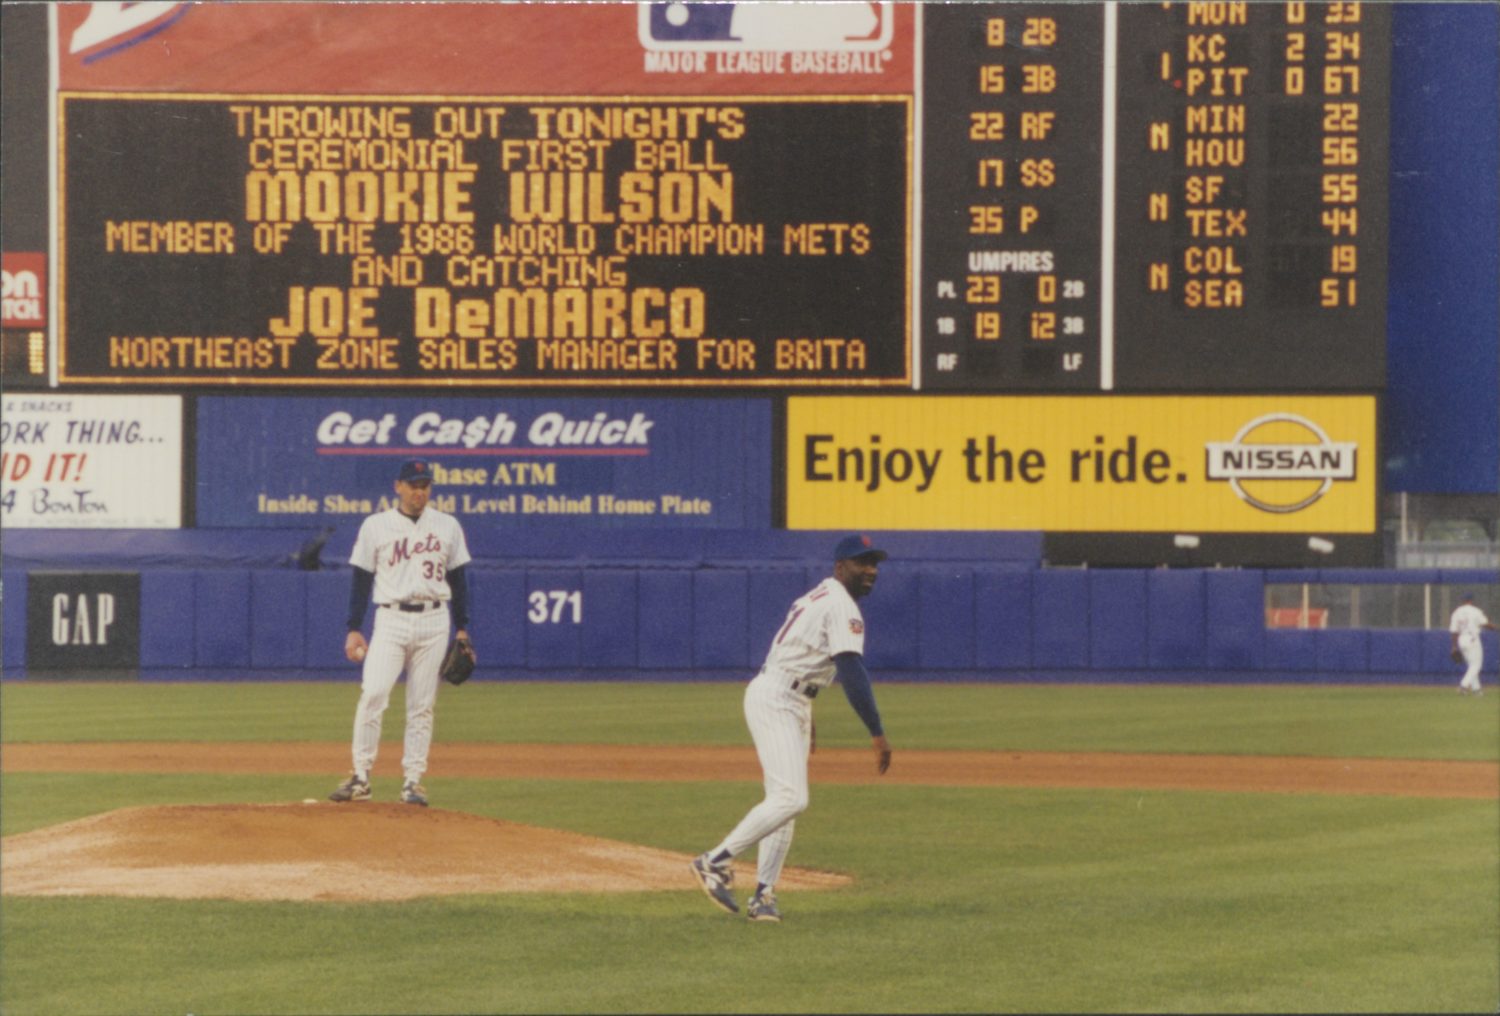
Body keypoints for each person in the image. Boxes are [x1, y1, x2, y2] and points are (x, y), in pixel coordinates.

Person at [690, 533, 892, 922]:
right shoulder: (840, 606)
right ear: (839, 567)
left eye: (874, 563)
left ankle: (763, 896)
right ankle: (713, 861)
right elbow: (851, 670)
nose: (870, 570)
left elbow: (794, 652)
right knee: (792, 798)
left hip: (789, 696)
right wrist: (876, 731)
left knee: (783, 803)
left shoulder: (817, 596)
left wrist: (807, 711)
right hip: (779, 698)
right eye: (862, 562)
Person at [329, 459, 474, 805]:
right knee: (374, 693)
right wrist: (353, 628)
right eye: (413, 484)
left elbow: (458, 580)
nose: (419, 491)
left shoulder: (448, 525)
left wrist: (463, 629)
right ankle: (360, 776)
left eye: (425, 485)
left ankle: (412, 781)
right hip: (390, 619)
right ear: (398, 487)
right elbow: (361, 579)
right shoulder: (376, 526)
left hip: (434, 619)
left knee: (422, 705)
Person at [1449, 593, 1496, 696]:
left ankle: (1477, 690)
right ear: (1471, 601)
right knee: (1476, 665)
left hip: (1461, 639)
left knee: (1472, 666)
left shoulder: (1456, 612)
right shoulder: (1475, 611)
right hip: (1472, 639)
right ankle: (1463, 685)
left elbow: (1454, 630)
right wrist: (1496, 628)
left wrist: (1454, 646)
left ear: (1463, 601)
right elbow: (1485, 623)